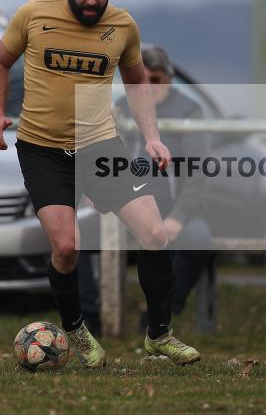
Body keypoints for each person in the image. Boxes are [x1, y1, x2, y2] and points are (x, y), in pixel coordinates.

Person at [0, 0, 200, 367]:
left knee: (155, 235)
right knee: (66, 248)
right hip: (43, 148)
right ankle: (78, 332)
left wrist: (152, 137)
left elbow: (138, 82)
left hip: (100, 145)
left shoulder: (123, 26)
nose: (90, 1)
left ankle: (159, 335)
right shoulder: (33, 15)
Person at [80, 44, 213, 323]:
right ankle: (90, 319)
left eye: (156, 79)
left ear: (169, 77)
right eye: (143, 78)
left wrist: (177, 218)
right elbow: (104, 156)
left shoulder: (190, 111)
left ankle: (159, 315)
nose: (149, 87)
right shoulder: (120, 108)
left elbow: (197, 173)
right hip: (128, 204)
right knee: (74, 234)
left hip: (173, 208)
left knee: (198, 241)